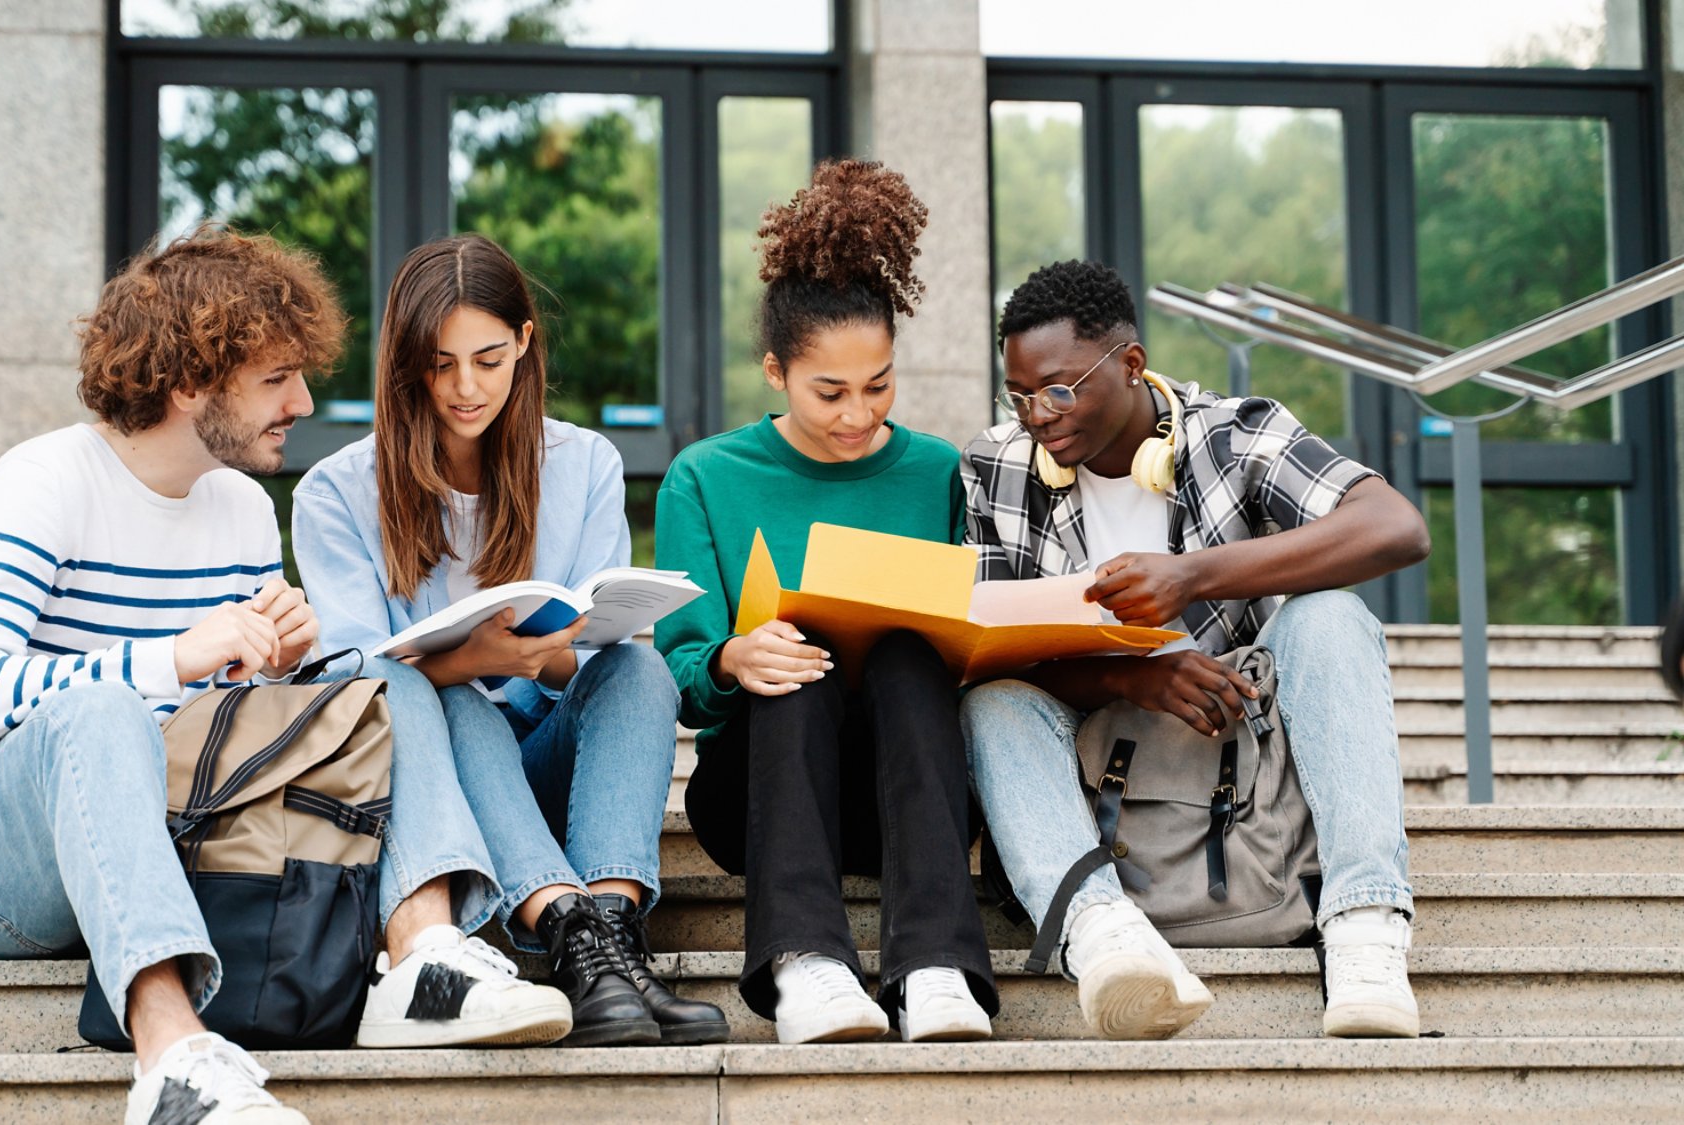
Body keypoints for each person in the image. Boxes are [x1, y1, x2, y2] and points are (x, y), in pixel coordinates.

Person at [0, 228, 350, 1123]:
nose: (303, 398)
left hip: (149, 840)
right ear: (189, 383)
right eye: (275, 378)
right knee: (100, 709)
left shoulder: (246, 507)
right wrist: (171, 655)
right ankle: (171, 1060)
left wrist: (280, 661)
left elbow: (216, 724)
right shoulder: (40, 486)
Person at [960, 259, 1431, 1041]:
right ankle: (1101, 933)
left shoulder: (1235, 433)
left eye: (1059, 390)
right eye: (1019, 396)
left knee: (1330, 617)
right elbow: (987, 642)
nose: (1037, 415)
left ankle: (1364, 926)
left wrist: (1192, 577)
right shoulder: (997, 466)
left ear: (1133, 364)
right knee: (990, 699)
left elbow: (1395, 527)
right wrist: (1134, 674)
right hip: (1095, 756)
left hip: (1235, 753)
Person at [293, 233, 728, 1048]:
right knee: (446, 692)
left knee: (636, 667)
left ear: (525, 344)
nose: (465, 387)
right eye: (440, 362)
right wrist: (474, 658)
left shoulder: (583, 462)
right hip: (435, 786)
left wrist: (551, 649)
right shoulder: (337, 492)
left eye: (489, 359)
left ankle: (611, 940)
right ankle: (567, 931)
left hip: (552, 755)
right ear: (404, 362)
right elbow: (357, 677)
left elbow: (590, 656)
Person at [655, 159, 999, 1045]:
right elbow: (680, 673)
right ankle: (805, 964)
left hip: (908, 788)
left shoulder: (936, 471)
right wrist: (734, 657)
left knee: (906, 651)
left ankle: (937, 969)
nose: (859, 413)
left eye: (880, 383)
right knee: (795, 645)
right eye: (830, 391)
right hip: (760, 794)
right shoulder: (704, 476)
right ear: (776, 370)